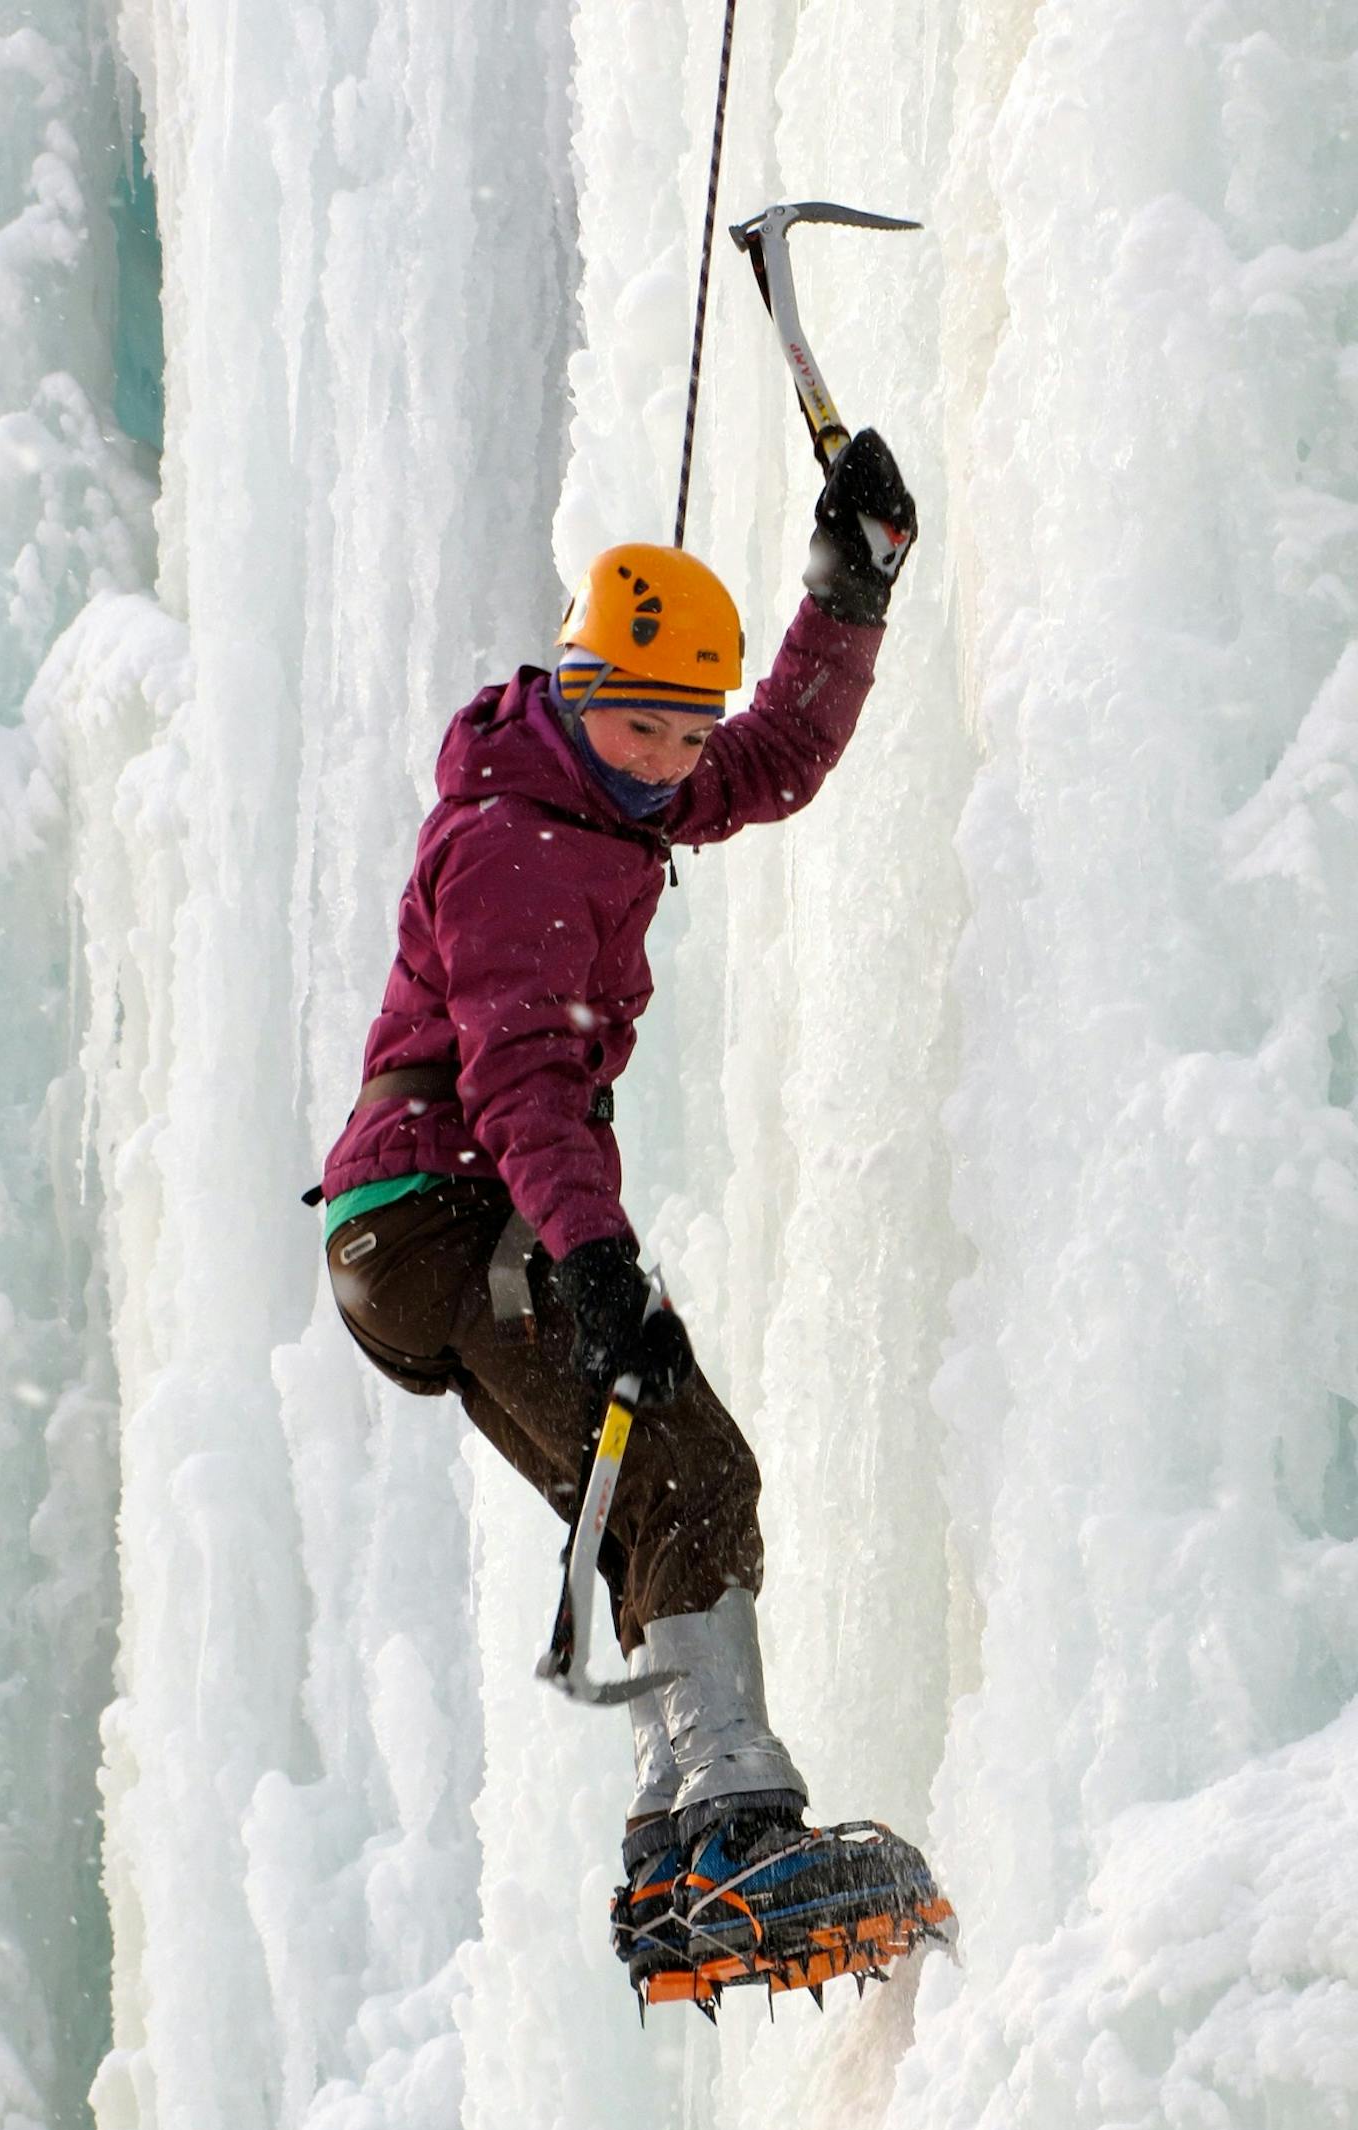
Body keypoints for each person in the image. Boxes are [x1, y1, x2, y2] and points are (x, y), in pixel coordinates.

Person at [314, 430, 942, 1998]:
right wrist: (596, 1265)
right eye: (639, 720)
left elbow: (775, 762)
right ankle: (738, 1822)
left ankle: (677, 1848)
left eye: (685, 727)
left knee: (649, 1495)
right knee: (690, 1460)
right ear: (576, 693)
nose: (671, 754)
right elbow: (520, 1081)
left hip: (430, 1228)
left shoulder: (605, 797)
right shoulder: (512, 842)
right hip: (449, 1212)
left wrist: (846, 590)